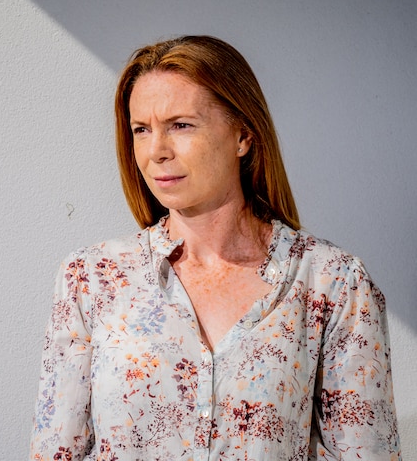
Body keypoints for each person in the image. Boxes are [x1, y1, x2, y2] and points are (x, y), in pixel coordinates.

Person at [29, 36, 400, 460]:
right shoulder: (92, 279)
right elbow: (56, 453)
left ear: (242, 135)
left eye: (181, 125)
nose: (156, 152)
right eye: (141, 130)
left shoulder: (333, 284)